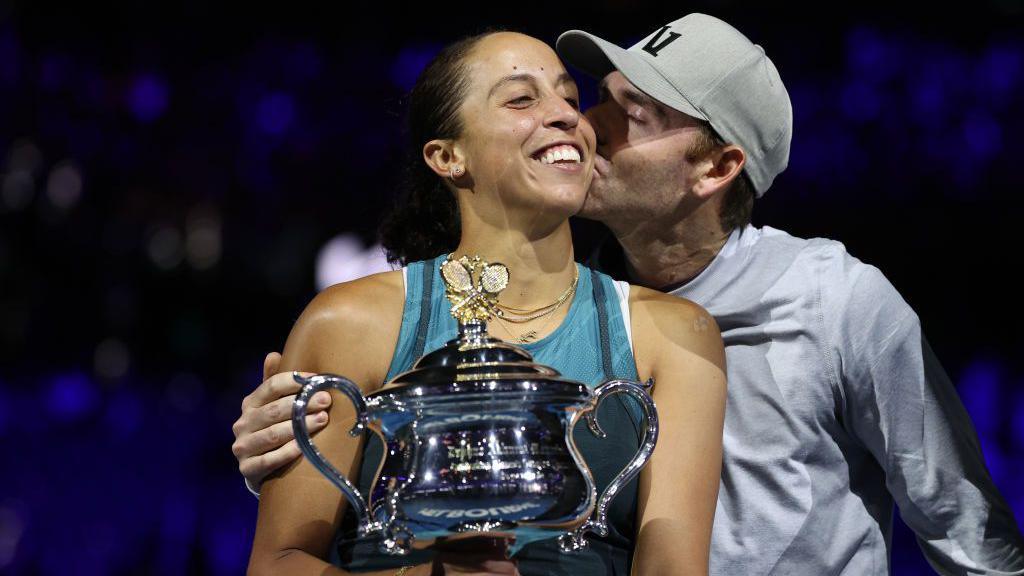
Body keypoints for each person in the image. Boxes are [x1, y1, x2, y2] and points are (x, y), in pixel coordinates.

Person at [237, 13, 1024, 575]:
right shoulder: (568, 290)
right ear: (447, 155)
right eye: (595, 97)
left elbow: (962, 522)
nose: (585, 122)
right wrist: (307, 435)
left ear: (716, 170)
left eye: (631, 114)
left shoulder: (834, 302)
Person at [243, 30, 727, 576]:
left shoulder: (676, 334)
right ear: (448, 156)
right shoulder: (349, 322)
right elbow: (279, 562)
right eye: (522, 99)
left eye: (570, 98)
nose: (567, 115)